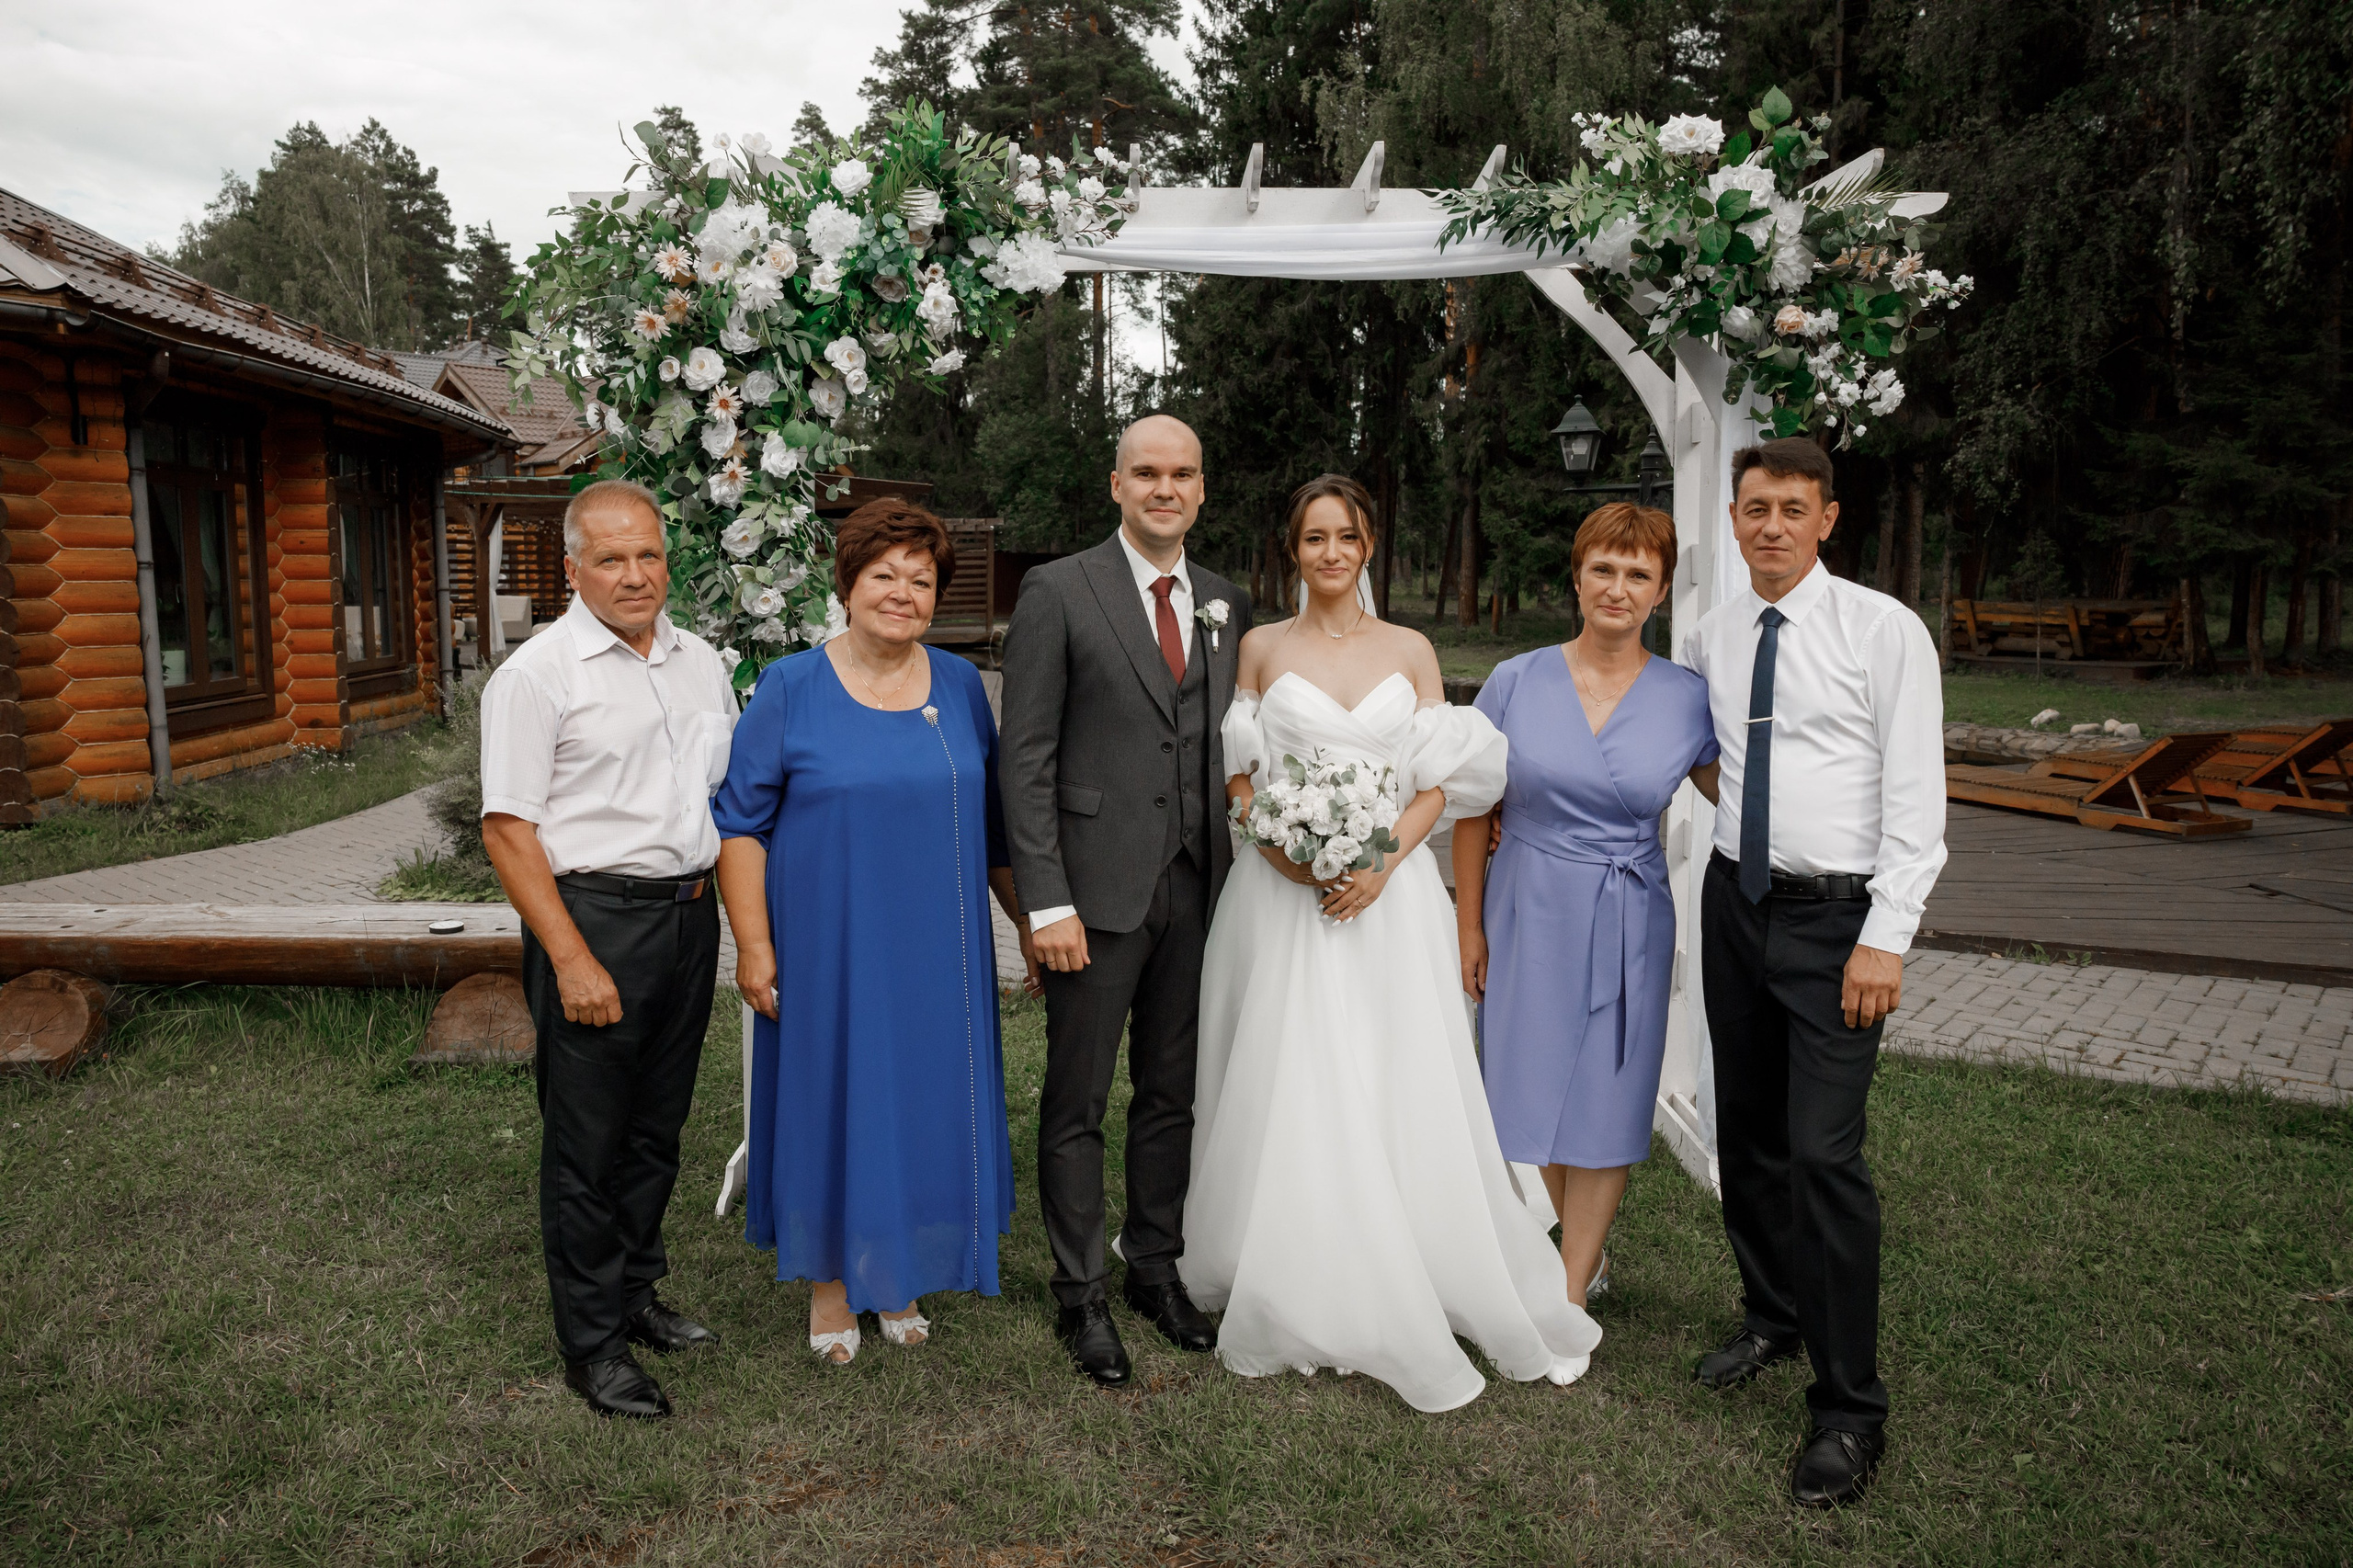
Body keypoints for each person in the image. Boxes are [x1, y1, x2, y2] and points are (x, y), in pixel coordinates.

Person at [1180, 474, 1599, 1413]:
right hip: (1280, 894)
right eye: (1314, 537)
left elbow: (1436, 778)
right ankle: (1287, 1265)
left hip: (1387, 892)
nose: (1330, 552)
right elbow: (1239, 771)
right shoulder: (1258, 645)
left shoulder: (1410, 647)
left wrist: (1378, 863)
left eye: (1347, 536)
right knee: (1286, 1066)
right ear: (1293, 549)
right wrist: (1278, 845)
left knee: (1388, 1067)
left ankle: (1412, 1252)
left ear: (1368, 545)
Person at [1679, 438, 1946, 1508]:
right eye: (1755, 508)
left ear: (1827, 519)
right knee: (1742, 1126)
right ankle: (1773, 1313)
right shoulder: (1712, 629)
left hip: (1840, 923)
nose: (1772, 525)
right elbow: (1709, 753)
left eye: (1793, 507)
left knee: (1822, 1152)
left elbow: (1916, 798)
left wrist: (1885, 934)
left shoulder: (1884, 631)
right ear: (1734, 518)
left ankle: (1847, 1410)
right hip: (1736, 900)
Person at [711, 499, 1035, 1365]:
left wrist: (1026, 927)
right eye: (883, 574)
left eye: (920, 580)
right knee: (834, 1100)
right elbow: (740, 825)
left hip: (939, 948)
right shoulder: (789, 686)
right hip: (830, 945)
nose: (902, 592)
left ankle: (897, 1272)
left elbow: (997, 833)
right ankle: (830, 1282)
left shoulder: (963, 687)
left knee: (924, 1099)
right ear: (848, 584)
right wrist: (754, 944)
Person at [998, 414, 1252, 1387]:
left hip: (1202, 885)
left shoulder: (1226, 600)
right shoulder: (1059, 589)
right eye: (1147, 472)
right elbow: (1024, 760)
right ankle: (1081, 1293)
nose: (1164, 488)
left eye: (1182, 473)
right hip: (1093, 894)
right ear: (1116, 484)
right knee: (1077, 1097)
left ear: (1201, 488)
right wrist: (1044, 900)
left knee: (1171, 1091)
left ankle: (1154, 1264)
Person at [479, 478, 736, 1420]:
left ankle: (633, 1294)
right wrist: (573, 957)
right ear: (573, 565)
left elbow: (722, 799)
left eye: (650, 554)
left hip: (686, 918)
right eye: (613, 557)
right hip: (593, 920)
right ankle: (592, 1346)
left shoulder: (700, 661)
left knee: (655, 1130)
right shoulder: (538, 674)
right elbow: (508, 830)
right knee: (586, 1146)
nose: (636, 574)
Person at [1453, 502, 1721, 1324]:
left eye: (1638, 573)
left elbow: (1743, 798)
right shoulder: (1515, 679)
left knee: (1608, 1092)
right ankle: (1582, 1249)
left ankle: (1567, 1291)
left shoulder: (1687, 699)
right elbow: (1471, 807)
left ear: (1662, 590)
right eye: (1603, 568)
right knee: (1525, 1086)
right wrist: (1470, 924)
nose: (1618, 586)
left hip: (1629, 912)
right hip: (1525, 901)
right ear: (1577, 578)